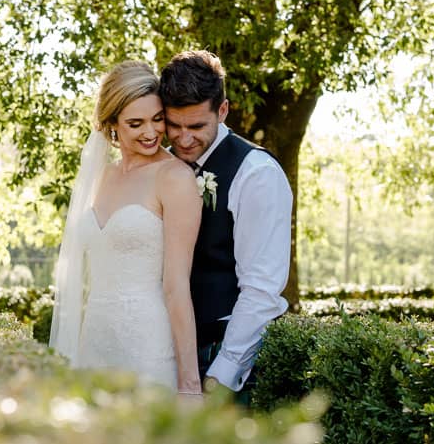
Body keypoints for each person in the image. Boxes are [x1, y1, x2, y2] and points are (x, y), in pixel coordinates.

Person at [50, 60, 204, 397]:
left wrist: (190, 383)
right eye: (136, 123)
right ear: (111, 125)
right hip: (94, 342)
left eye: (157, 119)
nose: (151, 133)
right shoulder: (99, 177)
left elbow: (177, 286)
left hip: (147, 347)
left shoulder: (175, 179)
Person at [158, 50, 292, 404]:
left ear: (223, 110)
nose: (184, 139)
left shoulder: (256, 174)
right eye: (174, 126)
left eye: (197, 127)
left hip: (223, 357)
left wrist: (222, 374)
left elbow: (262, 289)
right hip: (156, 354)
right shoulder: (160, 168)